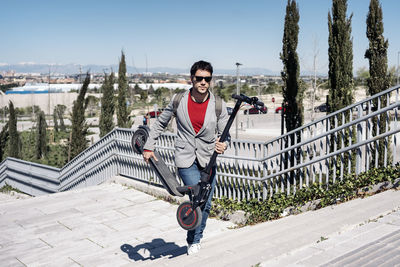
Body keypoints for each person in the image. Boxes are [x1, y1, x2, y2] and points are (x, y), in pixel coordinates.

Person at [142, 60, 230, 255]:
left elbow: (226, 135)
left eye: (207, 79)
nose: (203, 82)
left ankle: (194, 239)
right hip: (185, 159)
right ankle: (194, 239)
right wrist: (148, 146)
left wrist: (224, 144)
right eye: (199, 78)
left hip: (209, 160)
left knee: (206, 204)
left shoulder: (218, 105)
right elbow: (159, 124)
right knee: (197, 198)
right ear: (192, 79)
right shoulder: (178, 100)